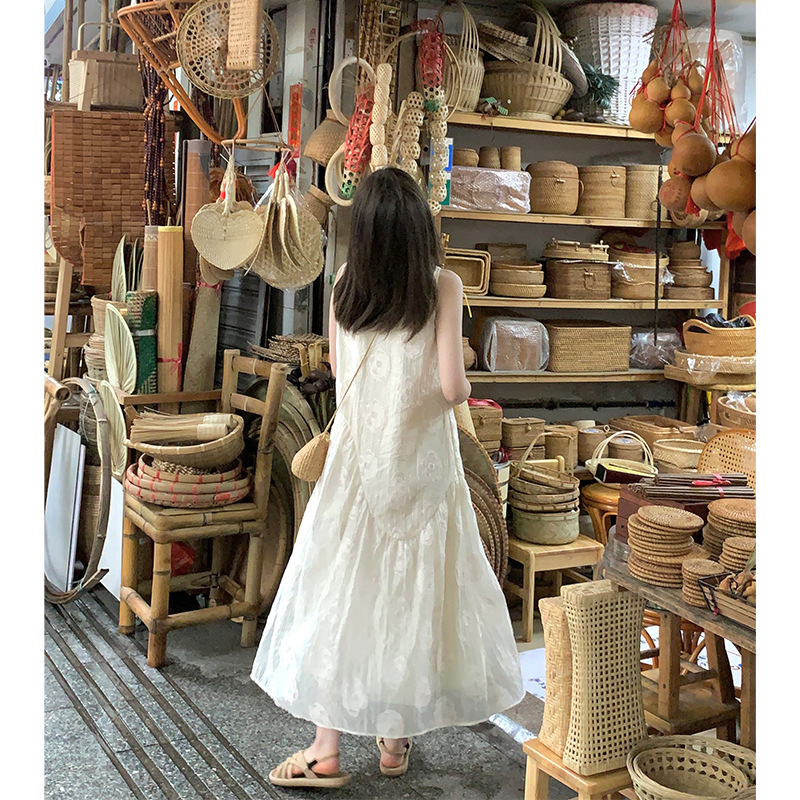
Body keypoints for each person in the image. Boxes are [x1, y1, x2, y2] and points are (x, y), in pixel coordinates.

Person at [250, 167, 524, 789]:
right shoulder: (443, 286)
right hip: (423, 468)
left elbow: (340, 371)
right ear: (420, 229)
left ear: (365, 232)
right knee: (410, 596)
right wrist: (464, 367)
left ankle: (325, 751)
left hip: (357, 466)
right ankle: (395, 741)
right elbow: (453, 388)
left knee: (340, 592)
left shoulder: (345, 284)